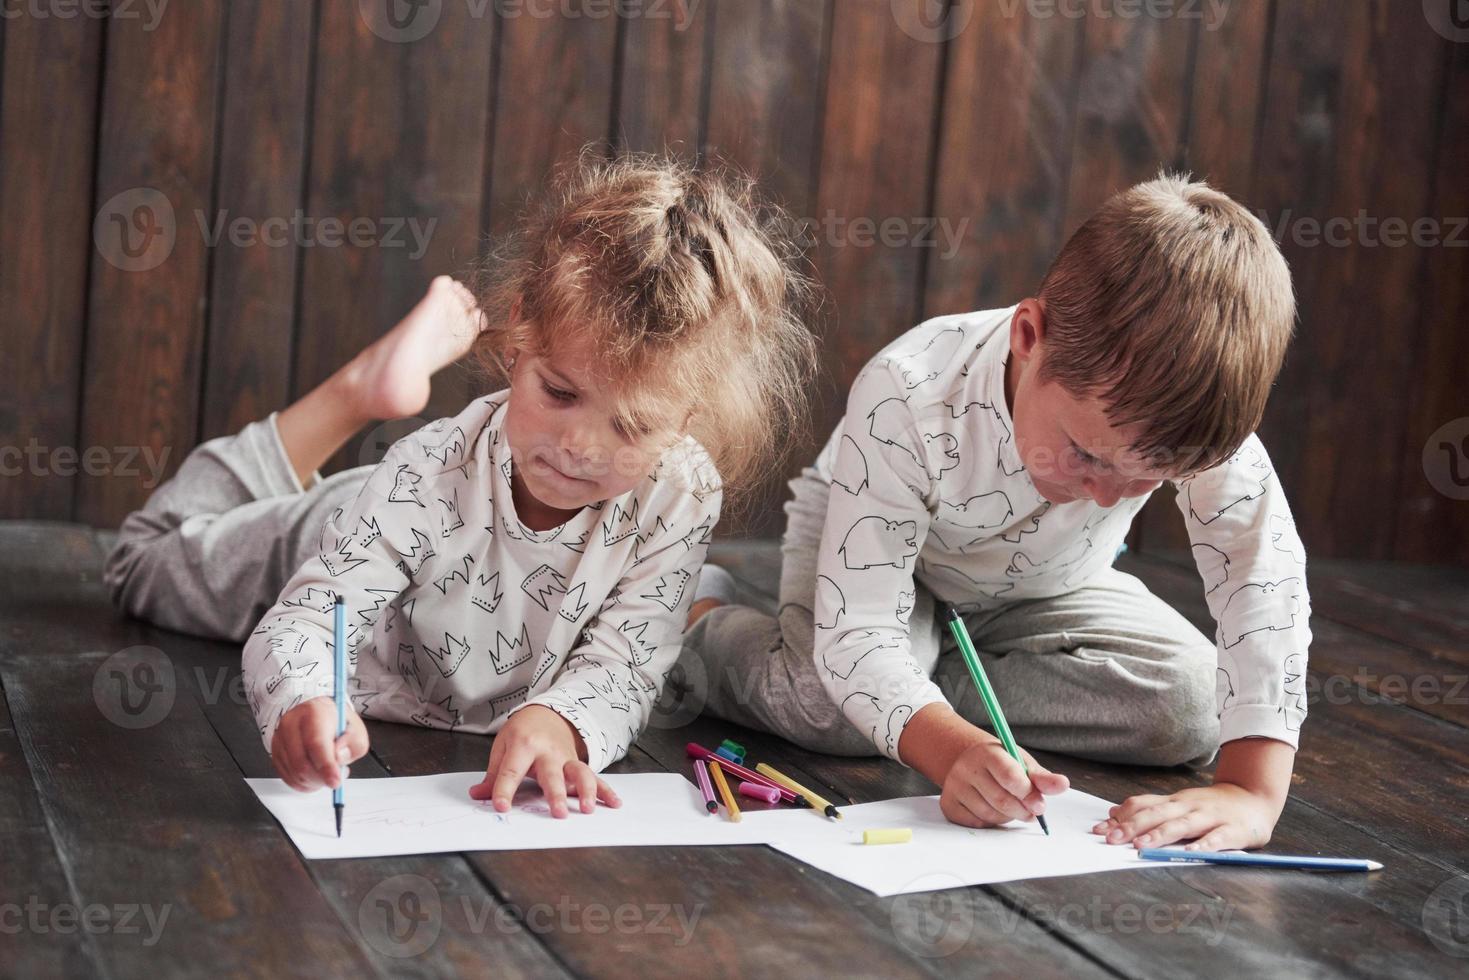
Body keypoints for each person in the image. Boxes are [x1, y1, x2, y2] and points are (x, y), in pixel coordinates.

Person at [103, 153, 817, 817]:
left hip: (484, 604)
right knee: (142, 561)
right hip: (339, 528)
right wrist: (305, 696)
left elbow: (625, 667)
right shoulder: (425, 473)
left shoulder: (681, 491)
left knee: (667, 599)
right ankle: (355, 391)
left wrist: (560, 720)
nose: (579, 446)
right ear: (518, 335)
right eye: (559, 392)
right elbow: (306, 621)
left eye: (631, 427)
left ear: (690, 416)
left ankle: (697, 585)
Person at [682, 172, 1310, 853]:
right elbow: (860, 626)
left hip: (1047, 585)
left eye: (1145, 483)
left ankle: (912, 676)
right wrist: (948, 751)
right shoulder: (909, 390)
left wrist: (1249, 791)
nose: (1104, 497)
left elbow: (1263, 586)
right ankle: (703, 618)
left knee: (1191, 708)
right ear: (1028, 335)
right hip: (884, 567)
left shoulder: (1191, 423)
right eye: (1085, 456)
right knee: (830, 707)